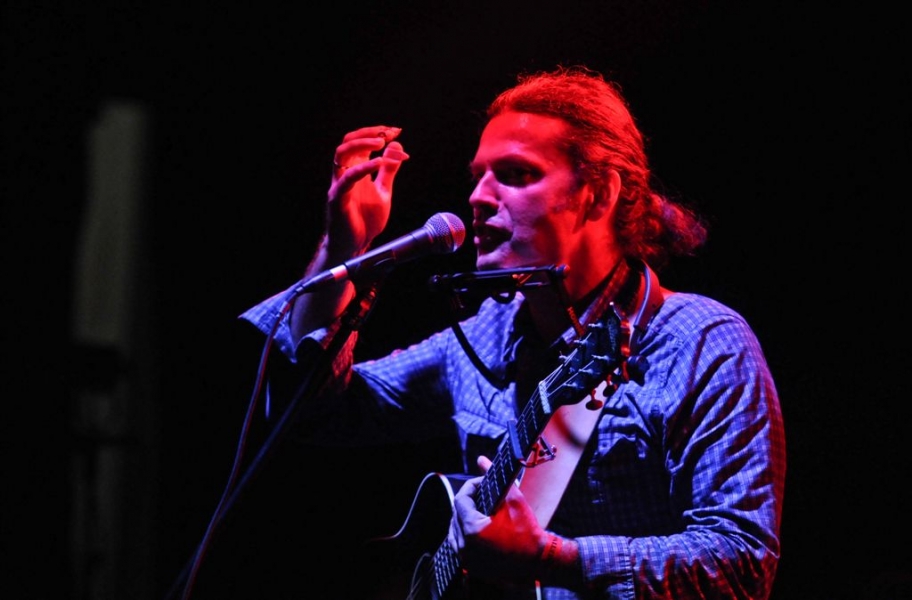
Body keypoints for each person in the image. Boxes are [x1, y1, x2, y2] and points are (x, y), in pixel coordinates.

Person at [239, 65, 786, 599]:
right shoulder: (486, 334)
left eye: (516, 174)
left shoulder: (701, 343)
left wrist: (553, 559)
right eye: (477, 176)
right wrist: (344, 248)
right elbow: (314, 412)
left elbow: (743, 567)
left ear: (599, 193)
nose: (478, 197)